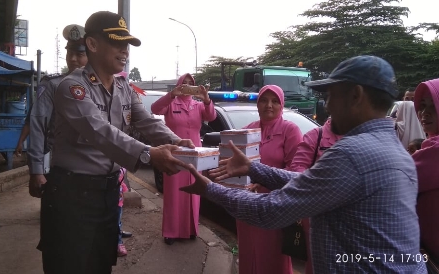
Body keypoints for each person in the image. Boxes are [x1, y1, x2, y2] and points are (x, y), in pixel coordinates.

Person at [180, 55, 426, 273]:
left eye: (331, 96)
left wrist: (211, 189)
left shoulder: (351, 153)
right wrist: (254, 168)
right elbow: (312, 183)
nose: (327, 106)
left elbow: (272, 209)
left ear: (356, 95)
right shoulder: (396, 150)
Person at [37, 11, 194, 274]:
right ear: (93, 44)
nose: (124, 51)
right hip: (72, 195)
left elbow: (146, 121)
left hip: (108, 194)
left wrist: (178, 142)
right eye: (116, 42)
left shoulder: (124, 88)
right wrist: (148, 154)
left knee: (100, 264)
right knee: (68, 264)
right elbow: (100, 132)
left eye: (127, 45)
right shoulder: (72, 87)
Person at [234, 85, 302, 274]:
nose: (269, 105)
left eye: (275, 101)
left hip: (275, 204)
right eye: (264, 100)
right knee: (249, 250)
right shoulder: (248, 130)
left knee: (273, 256)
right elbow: (235, 163)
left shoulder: (290, 130)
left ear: (282, 105)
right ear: (257, 104)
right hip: (247, 203)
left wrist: (263, 181)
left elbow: (295, 171)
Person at [150, 73, 217, 245]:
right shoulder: (171, 103)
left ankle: (191, 229)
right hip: (174, 153)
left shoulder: (198, 105)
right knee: (174, 193)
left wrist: (207, 99)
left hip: (195, 155)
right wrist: (172, 94)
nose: (187, 86)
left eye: (190, 83)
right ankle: (171, 232)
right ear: (179, 85)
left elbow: (211, 117)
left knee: (194, 192)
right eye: (184, 83)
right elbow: (155, 109)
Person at [25, 24, 88, 171]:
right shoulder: (53, 85)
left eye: (79, 55)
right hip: (60, 163)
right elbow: (38, 125)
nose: (72, 59)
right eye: (70, 53)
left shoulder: (99, 86)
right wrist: (36, 170)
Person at [288, 117, 343, 274]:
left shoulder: (360, 136)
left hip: (348, 214)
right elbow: (297, 167)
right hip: (316, 213)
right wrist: (320, 186)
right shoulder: (316, 136)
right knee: (318, 260)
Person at [412, 78, 439, 262]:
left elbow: (396, 178)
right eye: (422, 106)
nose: (424, 113)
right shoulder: (428, 147)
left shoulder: (434, 152)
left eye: (434, 106)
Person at [117, 168, 129, 257]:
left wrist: (124, 188)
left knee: (118, 221)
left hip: (119, 201)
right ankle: (118, 244)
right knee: (116, 223)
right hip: (112, 200)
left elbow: (121, 179)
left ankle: (119, 233)